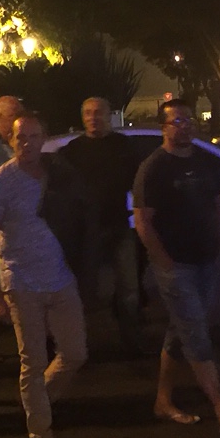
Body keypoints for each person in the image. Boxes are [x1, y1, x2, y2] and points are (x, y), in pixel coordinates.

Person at [0, 112, 89, 438]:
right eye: (20, 137)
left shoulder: (57, 174)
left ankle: (35, 401)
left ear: (44, 138)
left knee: (75, 352)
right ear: (10, 141)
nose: (27, 143)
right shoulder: (0, 181)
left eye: (33, 136)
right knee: (33, 358)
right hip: (21, 280)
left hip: (60, 277)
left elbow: (78, 213)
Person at [135, 99, 220, 435]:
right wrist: (164, 261)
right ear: (164, 127)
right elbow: (144, 221)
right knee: (196, 333)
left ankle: (163, 400)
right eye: (176, 121)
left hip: (206, 260)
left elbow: (217, 206)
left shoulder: (204, 162)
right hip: (176, 265)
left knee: (180, 331)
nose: (184, 126)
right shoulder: (154, 167)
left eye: (188, 120)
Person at [58, 95, 145, 355]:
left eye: (98, 112)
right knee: (84, 290)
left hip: (119, 225)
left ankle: (132, 339)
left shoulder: (124, 147)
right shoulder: (72, 151)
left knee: (129, 286)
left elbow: (139, 185)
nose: (93, 118)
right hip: (86, 232)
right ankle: (78, 344)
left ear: (109, 115)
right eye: (88, 113)